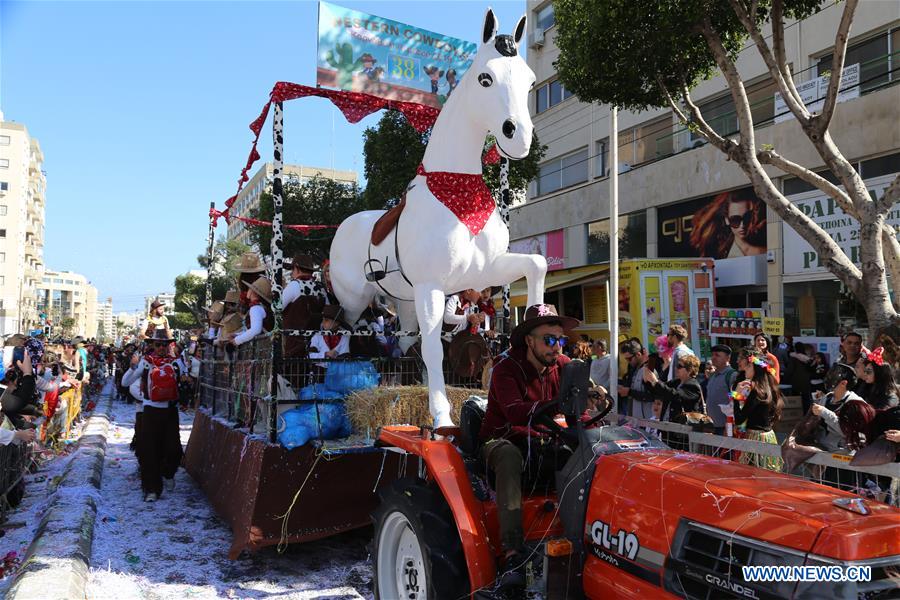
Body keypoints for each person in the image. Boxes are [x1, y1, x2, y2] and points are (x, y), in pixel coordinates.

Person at [478, 304, 578, 589]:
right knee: (509, 456)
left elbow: (578, 410)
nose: (557, 346)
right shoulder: (505, 367)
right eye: (549, 339)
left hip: (544, 437)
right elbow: (515, 412)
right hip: (503, 438)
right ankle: (512, 553)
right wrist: (556, 410)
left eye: (561, 340)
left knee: (588, 449)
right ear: (529, 340)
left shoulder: (564, 366)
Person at [121, 329, 184, 502]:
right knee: (149, 451)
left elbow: (188, 380)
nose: (162, 348)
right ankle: (151, 489)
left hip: (170, 411)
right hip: (150, 411)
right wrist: (133, 366)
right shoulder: (146, 363)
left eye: (165, 344)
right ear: (152, 345)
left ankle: (168, 472)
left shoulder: (177, 363)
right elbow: (125, 382)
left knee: (174, 449)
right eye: (158, 344)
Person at [729, 348, 784, 471]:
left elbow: (739, 420)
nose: (745, 370)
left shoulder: (756, 391)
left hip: (755, 440)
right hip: (769, 437)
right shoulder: (770, 388)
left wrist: (736, 396)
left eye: (748, 367)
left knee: (753, 474)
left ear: (756, 369)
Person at [811, 363, 872, 452]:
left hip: (843, 453)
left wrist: (824, 412)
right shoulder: (828, 397)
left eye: (834, 376)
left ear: (844, 383)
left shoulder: (855, 403)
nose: (829, 378)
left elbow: (847, 431)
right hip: (823, 448)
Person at [689, 190, 766, 259]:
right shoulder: (720, 255)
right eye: (735, 220)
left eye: (747, 217)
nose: (742, 225)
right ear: (727, 220)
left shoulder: (763, 252)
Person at [282, 254, 327, 358]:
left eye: (292, 269)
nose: (291, 273)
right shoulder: (320, 288)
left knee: (293, 371)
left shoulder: (294, 285)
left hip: (295, 342)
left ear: (297, 269)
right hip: (317, 342)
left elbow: (277, 308)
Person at [643, 354, 703, 421]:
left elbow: (675, 395)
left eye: (679, 366)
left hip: (684, 428)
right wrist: (647, 380)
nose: (676, 368)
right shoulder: (676, 382)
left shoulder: (693, 386)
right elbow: (658, 392)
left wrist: (655, 381)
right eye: (676, 366)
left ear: (689, 370)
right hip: (670, 425)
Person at [230, 276, 274, 346]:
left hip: (260, 349)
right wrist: (237, 335)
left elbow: (256, 330)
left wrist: (237, 340)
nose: (248, 290)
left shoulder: (256, 308)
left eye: (250, 288)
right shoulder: (260, 307)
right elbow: (253, 329)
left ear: (254, 292)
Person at [618, 338, 654, 418]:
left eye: (629, 359)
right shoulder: (634, 368)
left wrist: (629, 392)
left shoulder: (649, 368)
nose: (628, 361)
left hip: (648, 420)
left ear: (638, 354)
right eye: (626, 359)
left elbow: (652, 396)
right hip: (637, 419)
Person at [705, 345, 737, 434]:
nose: (713, 358)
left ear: (728, 358)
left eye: (717, 355)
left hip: (725, 428)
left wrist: (730, 427)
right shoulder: (713, 376)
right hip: (711, 427)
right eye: (713, 355)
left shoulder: (732, 376)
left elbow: (735, 399)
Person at [788, 342, 814, 413]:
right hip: (806, 382)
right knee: (806, 400)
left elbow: (790, 370)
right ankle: (806, 415)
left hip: (796, 382)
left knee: (795, 400)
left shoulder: (793, 357)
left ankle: (797, 415)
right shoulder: (807, 358)